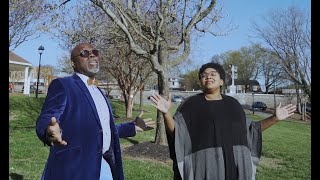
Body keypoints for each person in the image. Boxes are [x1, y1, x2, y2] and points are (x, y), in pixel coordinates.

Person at [150, 62, 296, 180]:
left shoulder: (233, 104)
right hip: (205, 167)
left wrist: (274, 118)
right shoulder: (190, 104)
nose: (208, 77)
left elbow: (251, 130)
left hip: (237, 164)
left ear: (221, 81)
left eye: (213, 74)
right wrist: (166, 113)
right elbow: (176, 133)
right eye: (204, 75)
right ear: (201, 81)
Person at [35, 42, 148, 180]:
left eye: (95, 52)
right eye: (85, 53)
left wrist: (132, 128)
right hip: (74, 169)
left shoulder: (99, 92)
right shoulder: (63, 85)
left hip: (104, 166)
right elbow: (47, 117)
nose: (92, 55)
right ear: (73, 63)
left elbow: (101, 130)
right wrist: (48, 131)